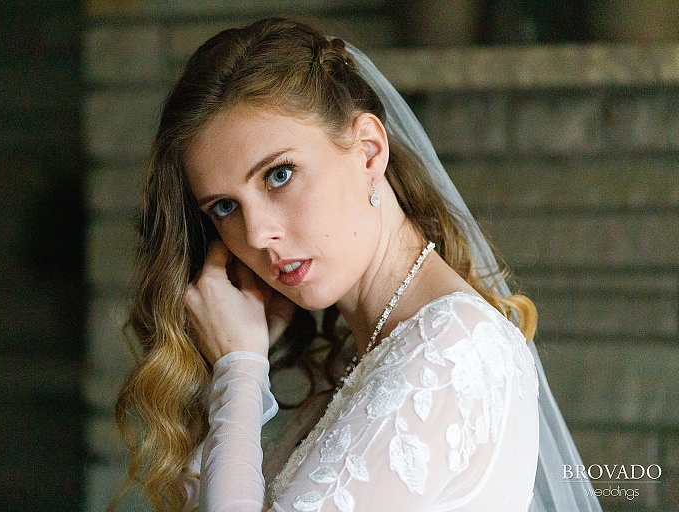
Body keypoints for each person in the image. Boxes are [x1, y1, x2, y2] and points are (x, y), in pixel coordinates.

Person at [114, 17, 602, 512]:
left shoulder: (452, 350)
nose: (258, 234)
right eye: (224, 207)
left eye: (279, 175)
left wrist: (238, 371)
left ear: (369, 151)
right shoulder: (377, 353)